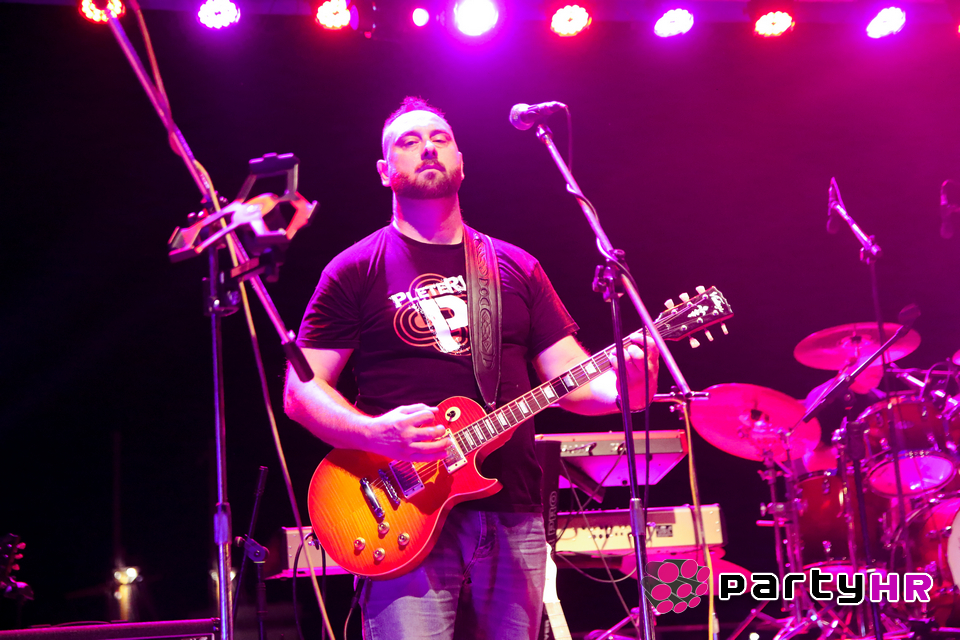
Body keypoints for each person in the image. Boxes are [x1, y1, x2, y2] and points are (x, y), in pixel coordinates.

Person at [284, 96, 660, 640]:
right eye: (409, 141)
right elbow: (301, 391)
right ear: (384, 171)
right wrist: (374, 433)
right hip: (401, 507)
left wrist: (630, 386)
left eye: (439, 138)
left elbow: (573, 378)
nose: (427, 147)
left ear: (461, 160)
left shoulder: (515, 266)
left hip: (513, 508)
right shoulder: (355, 268)